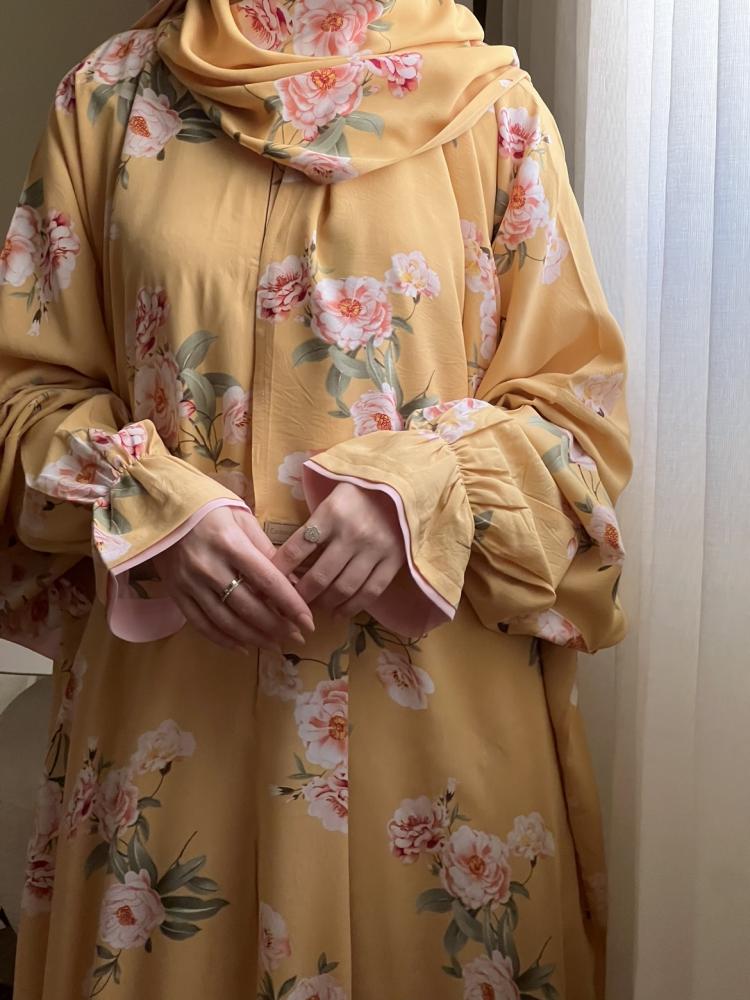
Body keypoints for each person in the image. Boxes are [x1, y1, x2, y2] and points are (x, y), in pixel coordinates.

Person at [0, 1, 632, 997]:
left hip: (433, 740)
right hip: (175, 727)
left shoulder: (492, 111)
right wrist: (149, 504)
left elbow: (578, 428)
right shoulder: (109, 100)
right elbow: (22, 397)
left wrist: (425, 485)